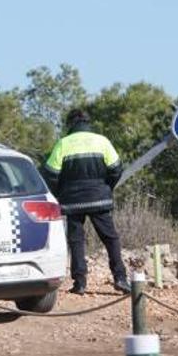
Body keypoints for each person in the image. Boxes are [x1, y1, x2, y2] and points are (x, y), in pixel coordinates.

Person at [42, 109, 130, 295]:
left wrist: (59, 193)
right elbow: (116, 168)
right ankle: (120, 278)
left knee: (76, 241)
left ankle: (80, 283)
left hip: (72, 201)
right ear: (88, 123)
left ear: (71, 124)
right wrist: (107, 187)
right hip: (99, 198)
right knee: (110, 238)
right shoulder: (102, 141)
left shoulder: (63, 143)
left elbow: (50, 173)